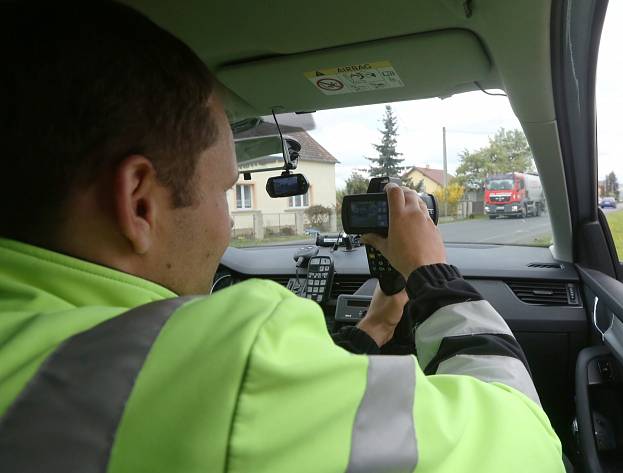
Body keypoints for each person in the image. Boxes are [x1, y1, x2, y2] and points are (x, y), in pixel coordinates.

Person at [0, 2, 564, 471]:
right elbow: (524, 440)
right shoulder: (237, 357)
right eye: (225, 192)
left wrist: (377, 326)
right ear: (139, 202)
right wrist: (431, 274)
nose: (224, 223)